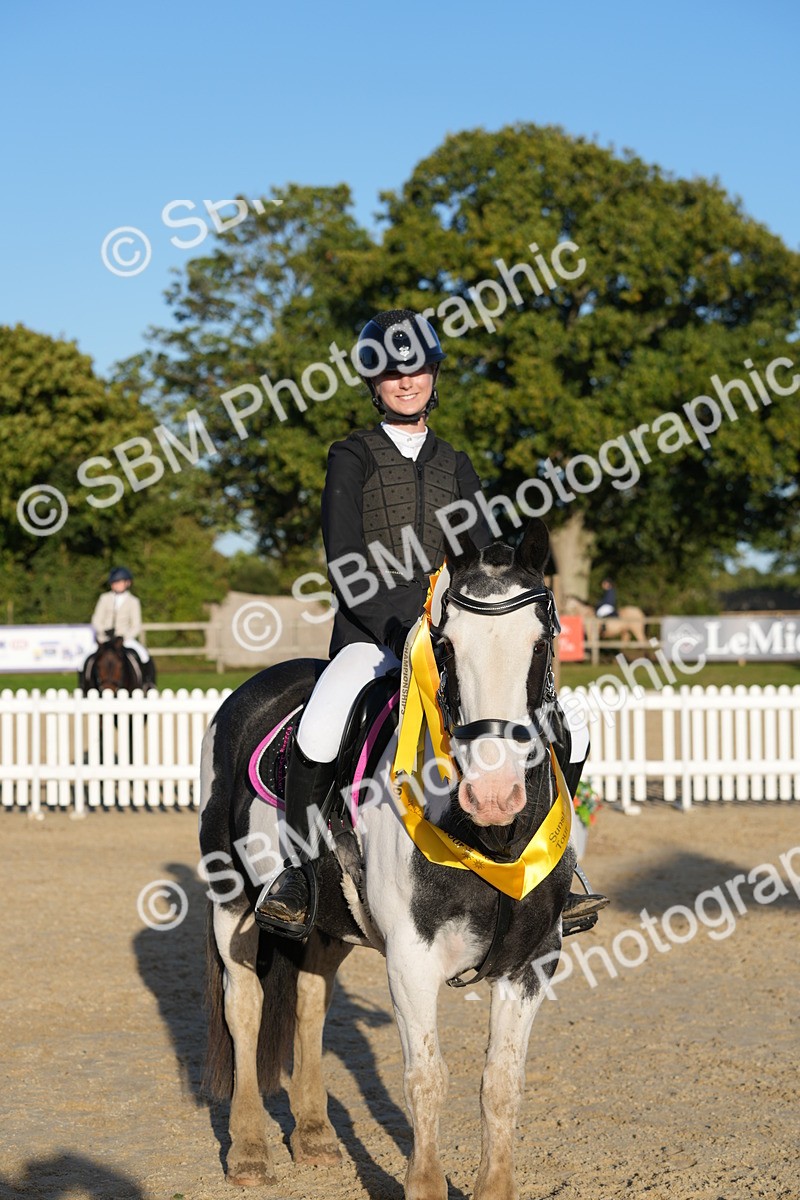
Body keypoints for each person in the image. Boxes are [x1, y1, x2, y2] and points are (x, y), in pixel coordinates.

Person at [255, 309, 606, 938]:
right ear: (374, 383)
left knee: (570, 729)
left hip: (451, 640)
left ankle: (563, 868)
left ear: (433, 376)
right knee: (321, 725)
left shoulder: (456, 463)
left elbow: (486, 552)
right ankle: (299, 876)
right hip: (374, 639)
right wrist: (396, 628)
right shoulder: (351, 456)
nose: (404, 380)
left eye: (414, 367)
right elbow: (344, 558)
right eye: (390, 372)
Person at [88, 566, 155, 684]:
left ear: (127, 583)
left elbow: (136, 625)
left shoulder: (133, 601)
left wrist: (124, 636)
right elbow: (96, 619)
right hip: (105, 639)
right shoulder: (104, 598)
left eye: (119, 582)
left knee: (144, 655)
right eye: (114, 582)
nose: (116, 585)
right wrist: (103, 631)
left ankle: (148, 682)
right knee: (85, 659)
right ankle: (84, 684)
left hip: (124, 639)